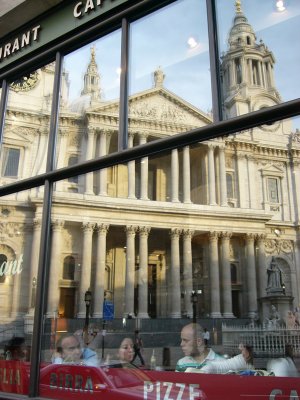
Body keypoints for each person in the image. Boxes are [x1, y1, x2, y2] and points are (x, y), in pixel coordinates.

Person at [187, 343, 254, 374]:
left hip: (214, 367)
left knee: (193, 373)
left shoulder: (244, 361)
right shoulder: (243, 359)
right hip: (214, 367)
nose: (241, 349)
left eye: (244, 349)